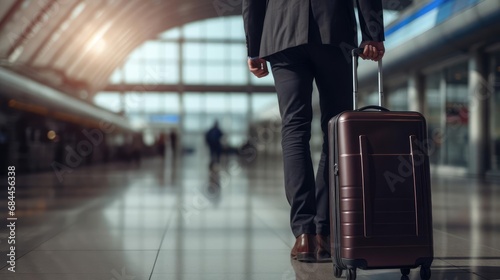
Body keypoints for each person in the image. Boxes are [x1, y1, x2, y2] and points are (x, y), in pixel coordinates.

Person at [242, 0, 385, 262]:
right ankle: (324, 231)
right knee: (336, 129)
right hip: (334, 29)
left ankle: (303, 234)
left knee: (294, 129)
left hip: (282, 35)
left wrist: (254, 48)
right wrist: (372, 34)